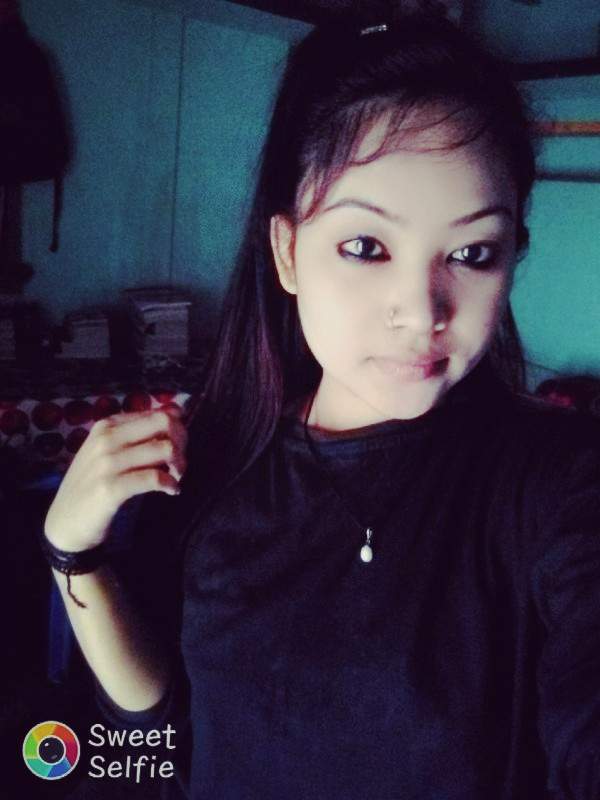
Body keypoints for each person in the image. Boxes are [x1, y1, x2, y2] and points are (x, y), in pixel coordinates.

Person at [42, 10, 600, 800]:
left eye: (473, 253)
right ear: (287, 252)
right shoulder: (213, 459)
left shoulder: (558, 486)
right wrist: (74, 554)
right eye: (366, 247)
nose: (422, 311)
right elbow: (161, 736)